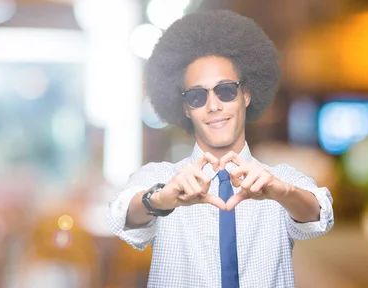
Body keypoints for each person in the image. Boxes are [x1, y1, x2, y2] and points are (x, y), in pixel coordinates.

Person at [106, 10, 334, 288]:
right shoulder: (162, 178)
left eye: (225, 90)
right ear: (186, 109)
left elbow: (319, 213)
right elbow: (121, 213)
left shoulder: (278, 179)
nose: (213, 105)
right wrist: (159, 201)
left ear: (246, 95)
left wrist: (282, 192)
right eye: (197, 96)